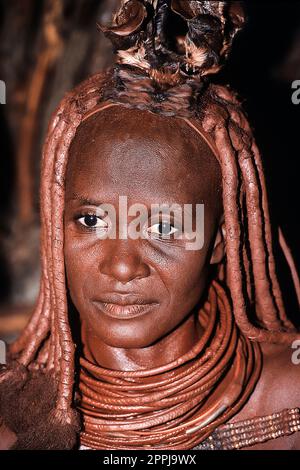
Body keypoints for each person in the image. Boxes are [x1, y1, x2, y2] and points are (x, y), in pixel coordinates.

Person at [0, 0, 300, 450]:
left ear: (220, 241)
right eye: (92, 219)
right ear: (56, 225)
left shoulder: (287, 402)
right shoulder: (16, 416)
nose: (122, 267)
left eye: (163, 227)